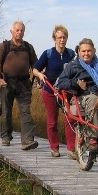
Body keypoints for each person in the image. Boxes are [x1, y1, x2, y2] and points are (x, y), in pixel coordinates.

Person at [55, 38, 98, 151]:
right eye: (83, 51)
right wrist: (76, 83)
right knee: (93, 100)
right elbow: (60, 82)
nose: (86, 53)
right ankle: (92, 138)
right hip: (81, 97)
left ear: (94, 51)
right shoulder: (73, 65)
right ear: (79, 52)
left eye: (89, 51)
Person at [0, 21, 39, 150]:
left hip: (24, 83)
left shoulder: (28, 47)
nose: (19, 32)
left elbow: (35, 66)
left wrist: (38, 80)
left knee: (25, 111)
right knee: (6, 110)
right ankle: (6, 136)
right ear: (11, 31)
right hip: (6, 82)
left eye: (22, 30)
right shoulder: (4, 46)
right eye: (17, 30)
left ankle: (28, 140)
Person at [32, 25, 77, 159]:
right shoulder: (48, 53)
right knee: (52, 121)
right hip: (50, 90)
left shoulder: (71, 54)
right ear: (54, 39)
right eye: (59, 37)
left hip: (67, 92)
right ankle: (54, 147)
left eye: (64, 37)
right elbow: (35, 69)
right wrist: (40, 76)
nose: (62, 40)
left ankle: (71, 149)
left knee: (70, 119)